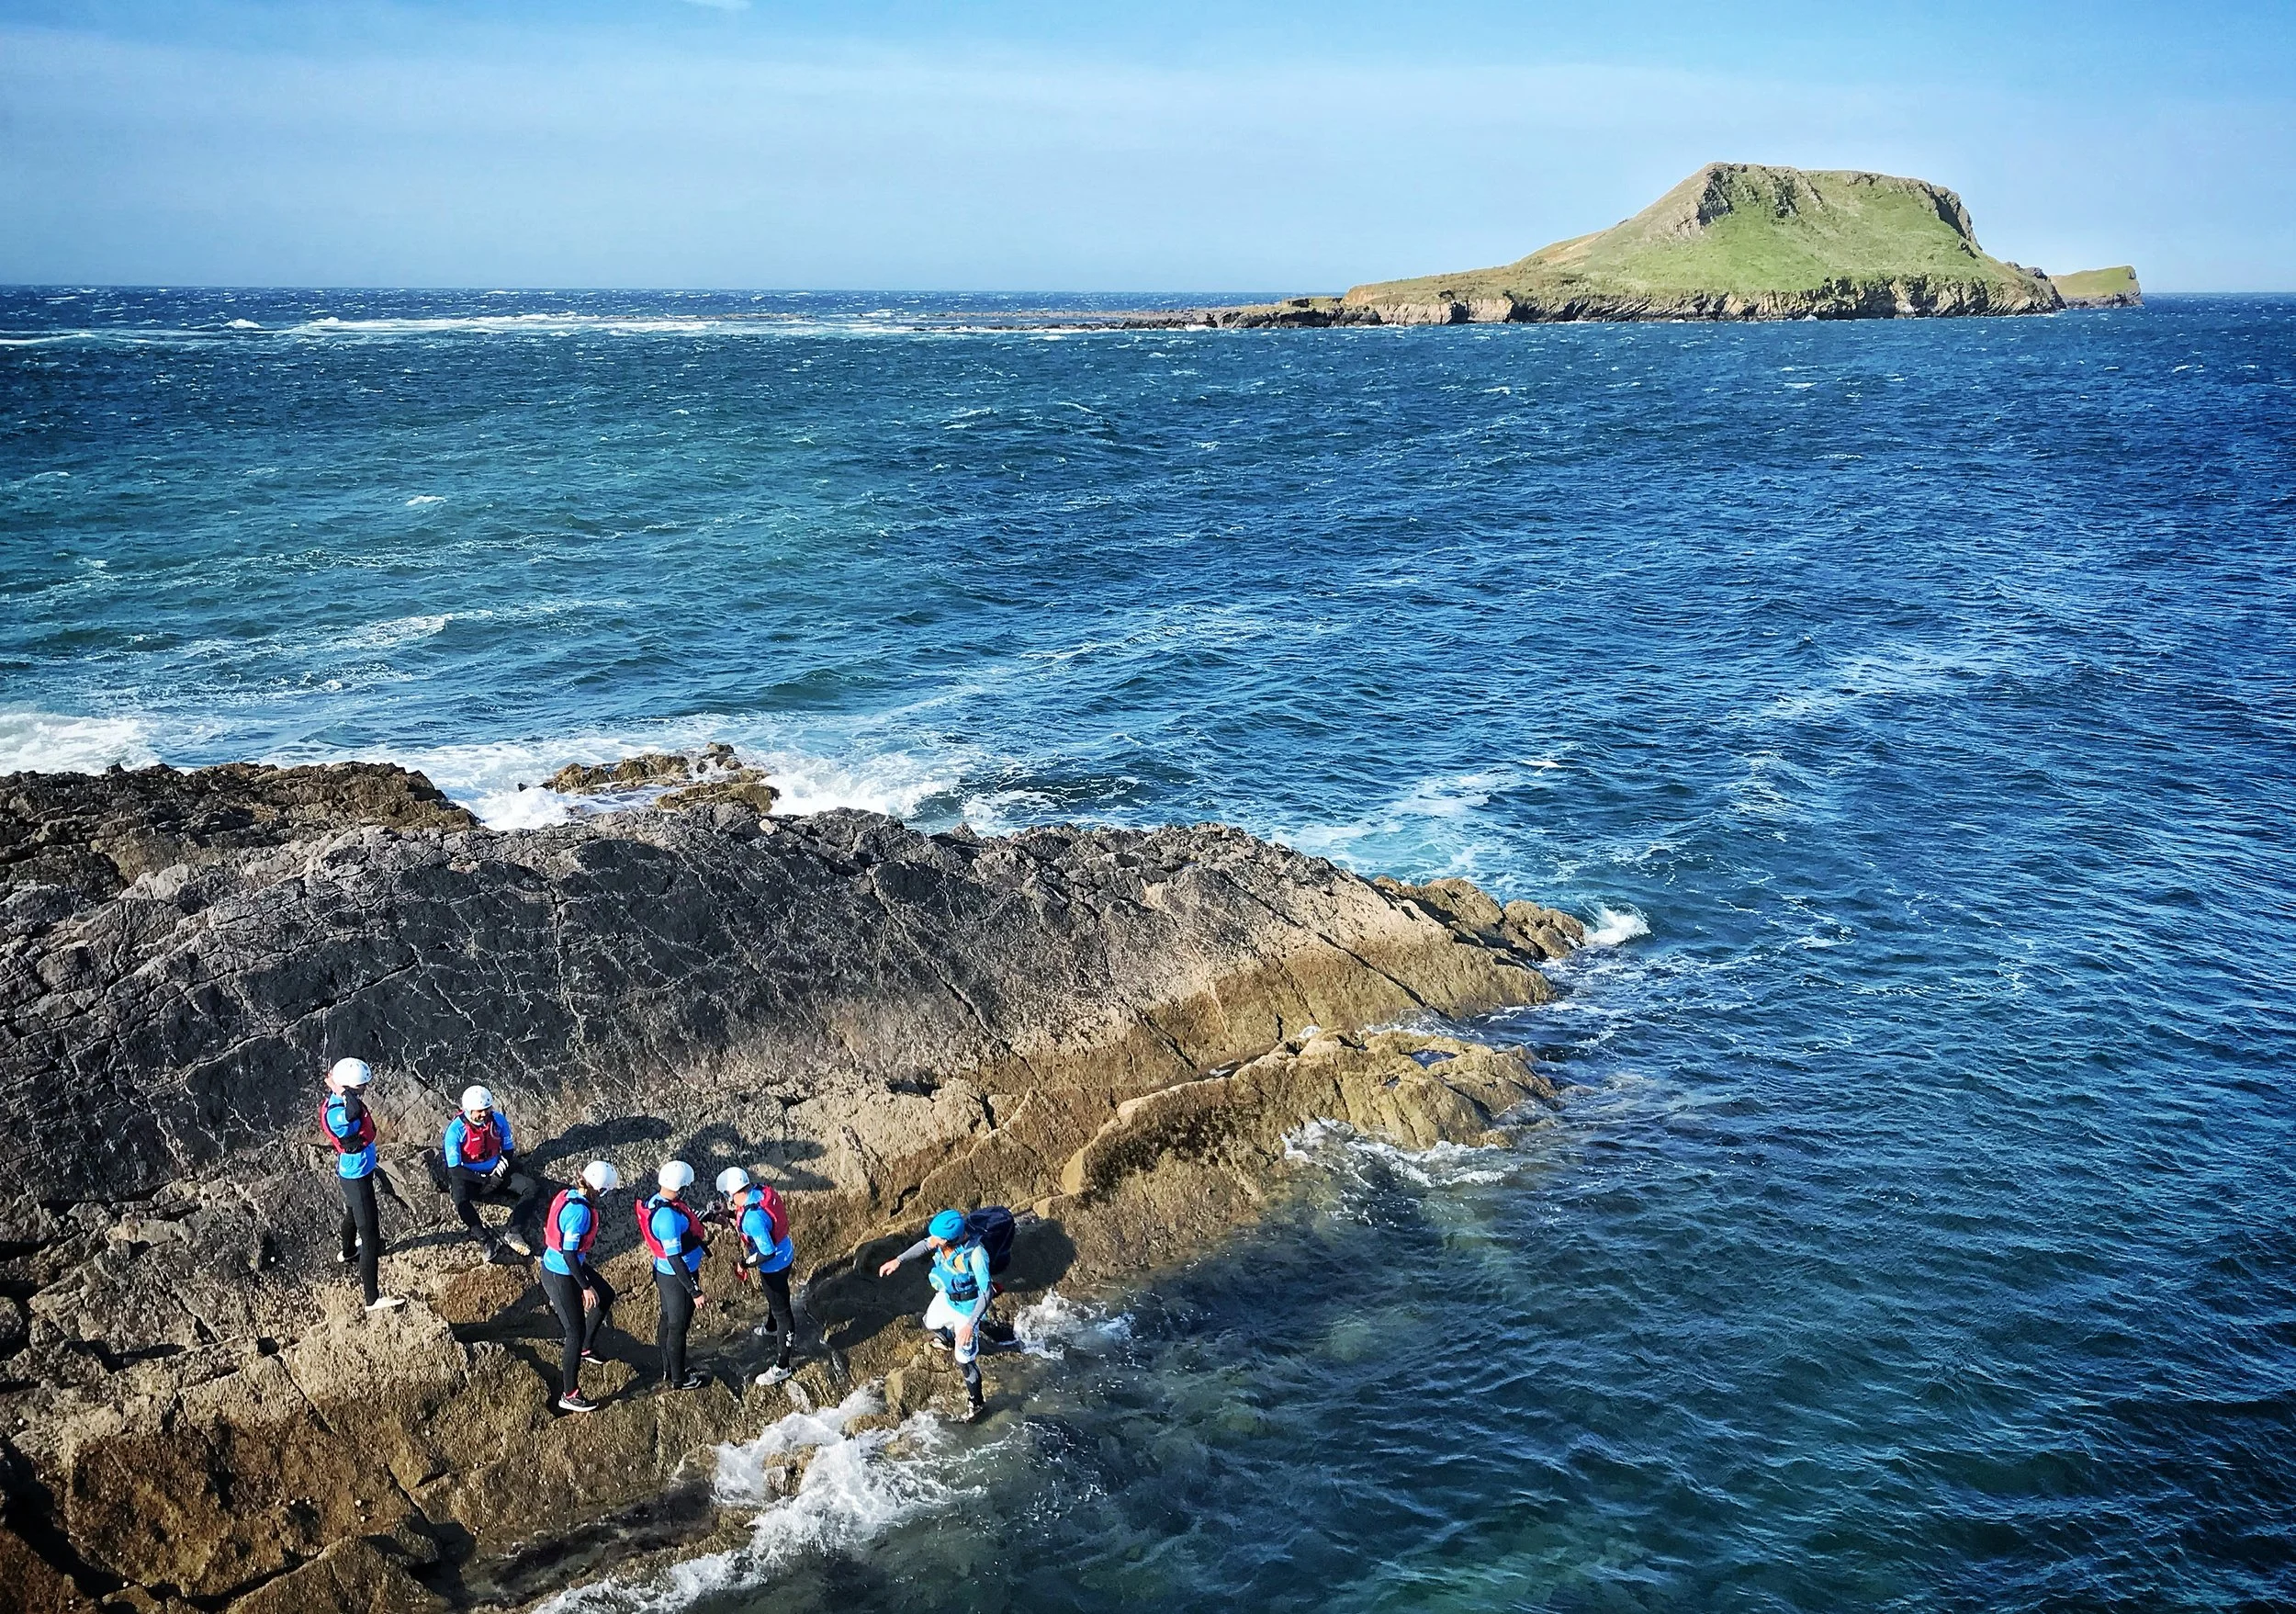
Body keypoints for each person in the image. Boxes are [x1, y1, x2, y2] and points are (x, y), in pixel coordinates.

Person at [877, 1208, 992, 1418]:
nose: (933, 1241)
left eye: (938, 1238)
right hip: (948, 1298)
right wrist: (898, 1260)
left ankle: (977, 1402)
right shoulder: (943, 1241)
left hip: (968, 1310)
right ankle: (949, 1339)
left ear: (951, 1239)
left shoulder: (976, 1255)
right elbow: (924, 1245)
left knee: (964, 1361)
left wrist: (969, 1325)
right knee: (929, 1322)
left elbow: (986, 1293)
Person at [320, 1057, 404, 1313]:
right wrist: (342, 1090)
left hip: (359, 1169)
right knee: (370, 1236)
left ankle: (346, 1253)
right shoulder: (338, 1112)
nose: (363, 1091)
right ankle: (372, 1299)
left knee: (351, 1213)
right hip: (355, 1174)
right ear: (347, 1089)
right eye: (359, 1089)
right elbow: (354, 1111)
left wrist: (339, 1087)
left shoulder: (342, 1099)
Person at [540, 1160, 621, 1414]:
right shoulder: (580, 1212)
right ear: (600, 1190)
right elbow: (569, 1254)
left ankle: (587, 1347)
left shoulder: (569, 1195)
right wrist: (585, 1286)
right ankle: (570, 1394)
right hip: (561, 1273)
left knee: (606, 1295)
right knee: (572, 1332)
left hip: (567, 1266)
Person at [714, 1167, 796, 1383]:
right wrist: (729, 1214)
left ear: (732, 1193)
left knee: (782, 1311)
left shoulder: (752, 1219)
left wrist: (744, 1263)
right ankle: (771, 1328)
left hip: (774, 1265)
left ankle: (782, 1366)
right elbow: (749, 1214)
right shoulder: (758, 1192)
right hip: (786, 1251)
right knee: (774, 1298)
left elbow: (766, 1251)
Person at [440, 1085, 541, 1260]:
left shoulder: (498, 1120)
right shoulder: (455, 1131)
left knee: (530, 1187)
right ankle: (486, 1240)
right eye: (479, 1111)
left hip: (496, 1173)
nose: (484, 1115)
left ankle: (515, 1232)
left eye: (487, 1110)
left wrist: (496, 1176)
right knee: (460, 1200)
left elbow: (508, 1151)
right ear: (469, 1110)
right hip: (470, 1177)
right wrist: (482, 1181)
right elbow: (455, 1169)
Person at [639, 1160, 710, 1391]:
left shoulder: (660, 1201)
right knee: (678, 1327)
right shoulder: (666, 1218)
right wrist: (694, 1290)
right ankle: (679, 1379)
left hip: (666, 1274)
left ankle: (669, 1368)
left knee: (669, 1320)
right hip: (676, 1277)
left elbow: (686, 1220)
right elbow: (675, 1258)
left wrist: (709, 1216)